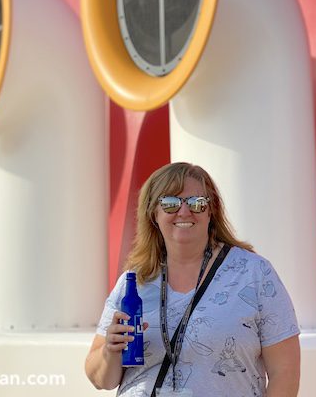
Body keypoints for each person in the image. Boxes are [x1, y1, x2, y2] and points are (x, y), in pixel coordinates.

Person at [85, 162, 300, 396]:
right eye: (170, 203)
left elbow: (285, 372)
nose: (184, 212)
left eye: (197, 203)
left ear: (211, 211)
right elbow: (101, 380)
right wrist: (110, 351)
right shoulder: (135, 280)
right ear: (153, 214)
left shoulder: (254, 273)